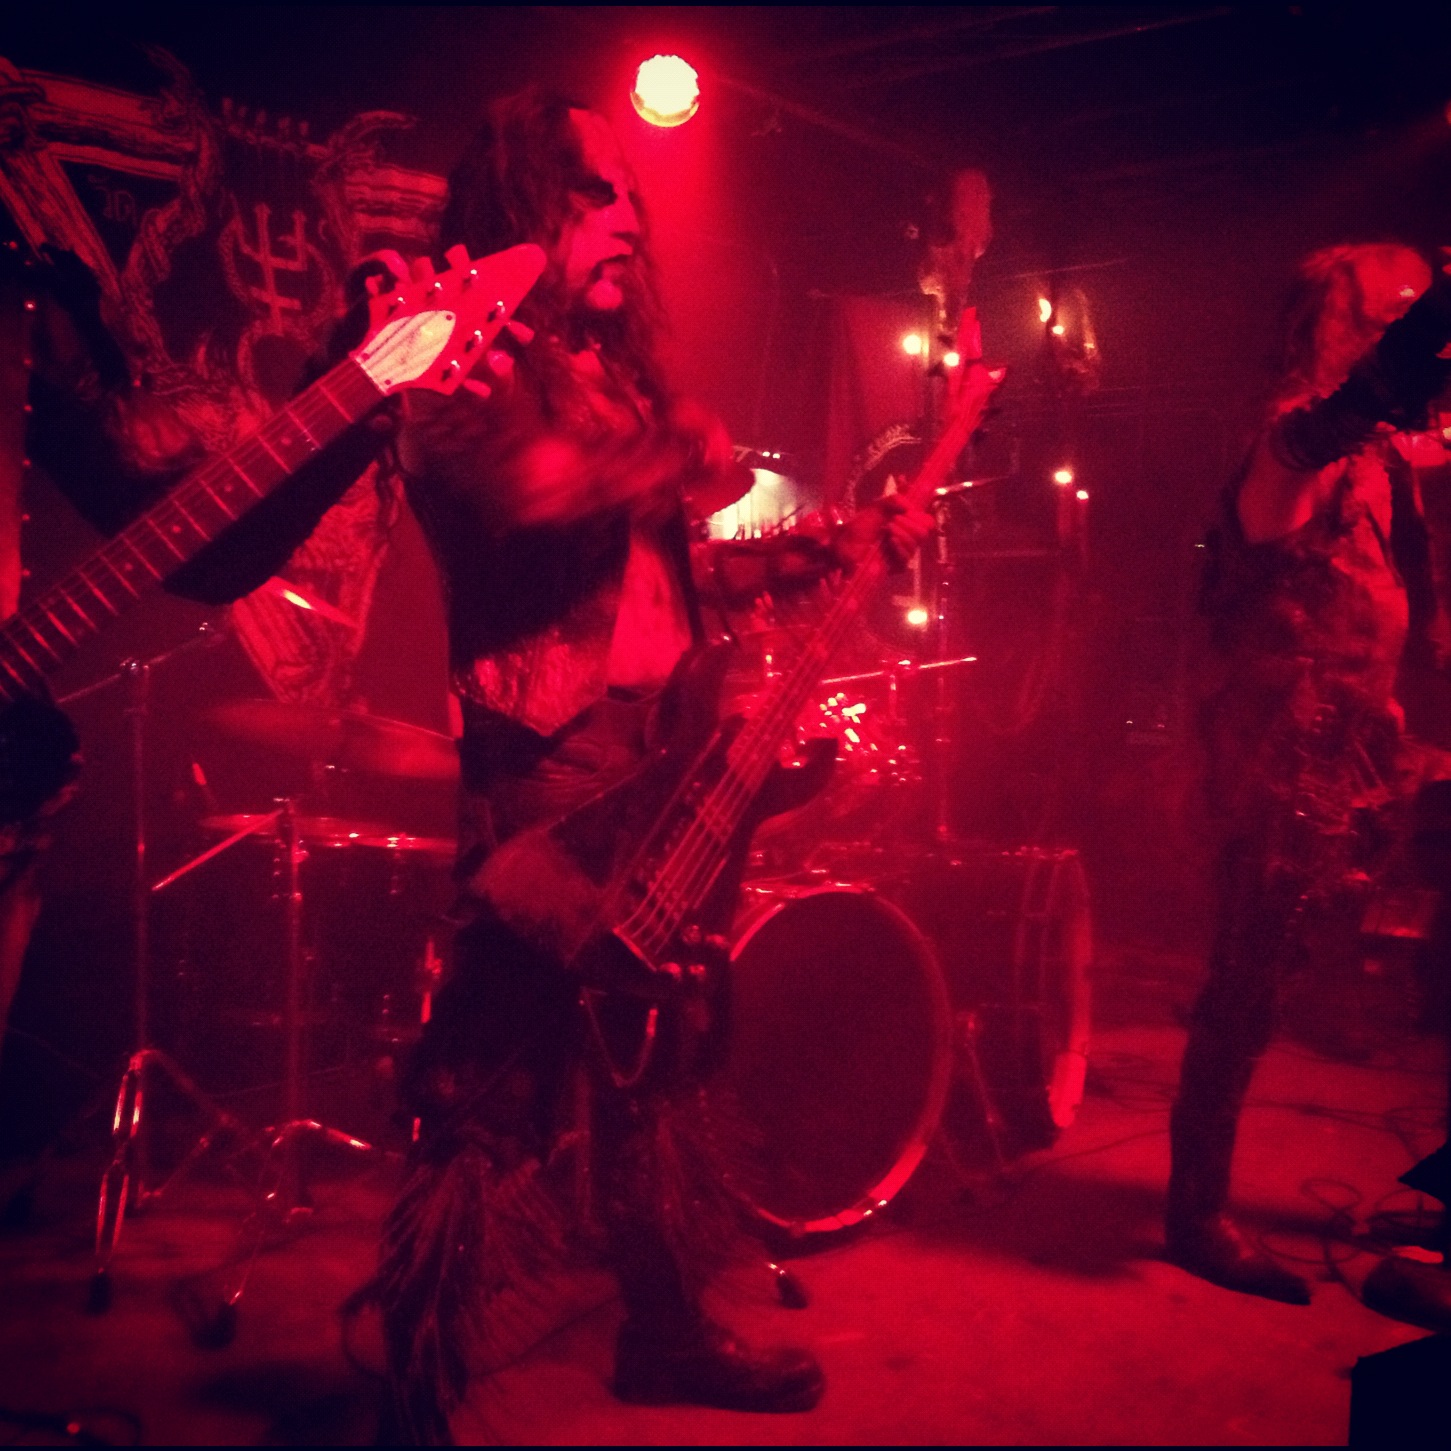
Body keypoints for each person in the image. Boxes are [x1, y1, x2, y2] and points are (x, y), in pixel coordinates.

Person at [373, 90, 930, 1441]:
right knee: (491, 1082)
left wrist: (810, 551)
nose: (627, 217)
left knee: (653, 1053)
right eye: (592, 193)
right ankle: (414, 1383)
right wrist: (681, 445)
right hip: (548, 765)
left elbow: (652, 571)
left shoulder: (609, 379)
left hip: (655, 748)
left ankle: (664, 1329)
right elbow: (538, 488)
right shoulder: (463, 365)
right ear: (522, 211)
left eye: (628, 193)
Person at [1169, 242, 1451, 1304]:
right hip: (1283, 760)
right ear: (1344, 330)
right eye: (1395, 319)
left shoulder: (1378, 455)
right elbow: (1310, 441)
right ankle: (1194, 1210)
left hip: (1366, 747)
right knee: (1245, 983)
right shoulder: (1290, 441)